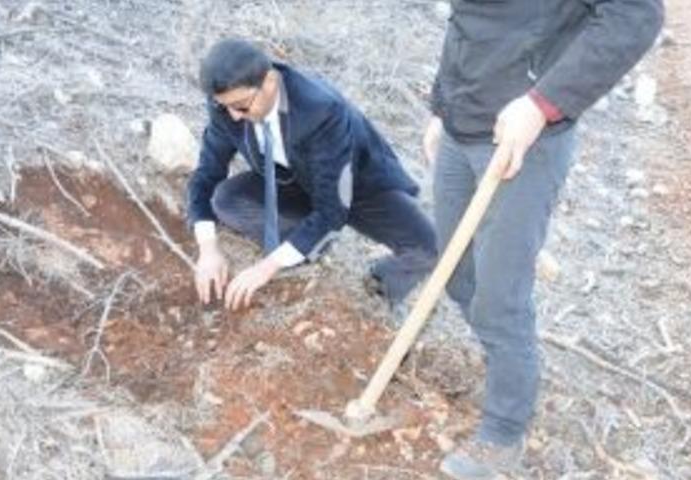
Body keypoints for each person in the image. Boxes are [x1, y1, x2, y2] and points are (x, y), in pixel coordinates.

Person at [423, 1, 664, 478]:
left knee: (500, 300)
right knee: (455, 275)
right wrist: (440, 106)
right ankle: (508, 359)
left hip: (526, 139)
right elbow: (468, 22)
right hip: (460, 125)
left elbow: (636, 16)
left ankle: (504, 428)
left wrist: (540, 104)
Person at [187, 39, 437, 311]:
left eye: (242, 106)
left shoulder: (321, 111)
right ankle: (306, 245)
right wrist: (208, 249)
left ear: (269, 82)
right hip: (290, 179)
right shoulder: (227, 107)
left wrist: (265, 268)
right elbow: (206, 174)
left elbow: (332, 211)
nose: (234, 117)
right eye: (226, 107)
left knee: (429, 249)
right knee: (225, 199)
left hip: (359, 185)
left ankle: (377, 287)